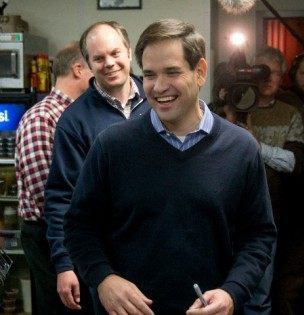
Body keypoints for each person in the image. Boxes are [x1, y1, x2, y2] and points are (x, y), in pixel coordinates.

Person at [63, 18, 276, 315]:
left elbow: (258, 236)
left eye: (172, 72)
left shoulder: (240, 149)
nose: (159, 87)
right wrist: (103, 279)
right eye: (149, 75)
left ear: (199, 71)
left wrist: (232, 292)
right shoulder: (112, 146)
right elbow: (78, 226)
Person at [44, 21, 150, 311]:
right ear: (87, 64)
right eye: (98, 58)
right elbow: (61, 198)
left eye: (115, 53)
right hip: (108, 260)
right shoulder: (73, 122)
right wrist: (64, 263)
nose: (109, 63)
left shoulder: (160, 101)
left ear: (129, 52)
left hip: (162, 251)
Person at [15, 41, 93, 314]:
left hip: (72, 230)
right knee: (59, 307)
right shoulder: (42, 117)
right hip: (49, 233)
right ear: (78, 69)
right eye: (94, 67)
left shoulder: (79, 114)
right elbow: (46, 192)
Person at [249, 46, 304, 315]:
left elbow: (294, 163)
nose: (267, 78)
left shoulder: (290, 111)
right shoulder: (235, 106)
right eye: (261, 71)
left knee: (262, 290)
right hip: (233, 210)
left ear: (282, 75)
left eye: (274, 73)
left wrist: (256, 147)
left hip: (273, 211)